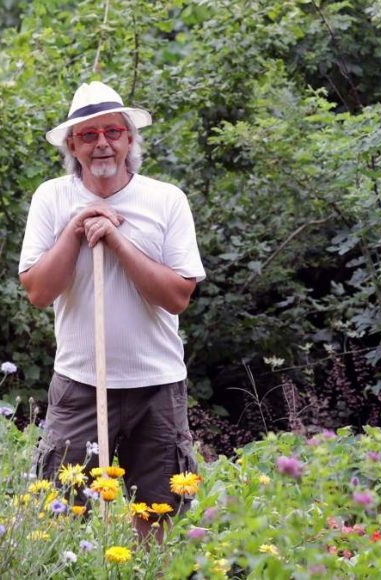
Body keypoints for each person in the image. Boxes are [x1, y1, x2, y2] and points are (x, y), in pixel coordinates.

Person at [18, 81, 206, 541]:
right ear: (72, 145)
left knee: (158, 519)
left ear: (128, 139)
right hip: (80, 383)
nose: (102, 143)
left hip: (155, 386)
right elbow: (39, 292)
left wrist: (118, 241)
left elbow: (177, 296)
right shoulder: (51, 198)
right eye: (89, 135)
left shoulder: (165, 200)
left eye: (113, 132)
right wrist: (77, 227)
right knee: (62, 518)